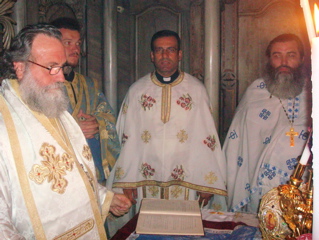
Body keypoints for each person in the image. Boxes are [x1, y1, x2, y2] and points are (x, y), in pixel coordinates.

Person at [0, 24, 131, 239]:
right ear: (20, 67)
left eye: (61, 67)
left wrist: (105, 198)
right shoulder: (4, 126)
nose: (61, 77)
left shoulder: (54, 110)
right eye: (51, 67)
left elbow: (73, 173)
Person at [107, 30, 227, 231]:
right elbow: (126, 138)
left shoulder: (196, 90)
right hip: (145, 181)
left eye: (170, 50)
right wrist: (126, 181)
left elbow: (207, 139)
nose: (165, 56)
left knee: (184, 231)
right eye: (159, 50)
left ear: (179, 54)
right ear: (152, 56)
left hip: (187, 182)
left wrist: (207, 182)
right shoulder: (137, 91)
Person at [223, 33, 312, 214]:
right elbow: (238, 141)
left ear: (302, 58)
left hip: (306, 184)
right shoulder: (256, 92)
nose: (283, 62)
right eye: (277, 55)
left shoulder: (314, 91)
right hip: (261, 185)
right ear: (269, 59)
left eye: (291, 55)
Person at [50, 17, 120, 185]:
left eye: (78, 44)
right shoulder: (43, 84)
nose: (76, 49)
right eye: (68, 43)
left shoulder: (89, 84)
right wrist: (74, 128)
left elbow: (108, 117)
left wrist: (98, 124)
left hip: (90, 173)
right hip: (60, 175)